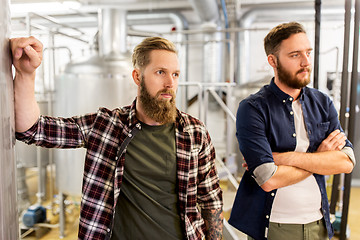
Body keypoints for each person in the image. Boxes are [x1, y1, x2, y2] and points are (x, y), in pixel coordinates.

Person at [11, 36, 223, 240]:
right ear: (137, 76)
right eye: (161, 72)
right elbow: (32, 129)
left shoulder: (194, 132)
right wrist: (26, 74)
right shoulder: (107, 126)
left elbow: (211, 201)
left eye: (175, 74)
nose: (170, 83)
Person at [228, 22, 355, 240]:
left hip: (319, 225)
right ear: (273, 61)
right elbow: (268, 179)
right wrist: (320, 159)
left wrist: (285, 159)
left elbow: (346, 162)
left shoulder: (322, 102)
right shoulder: (252, 108)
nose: (306, 62)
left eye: (308, 53)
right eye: (295, 55)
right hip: (275, 228)